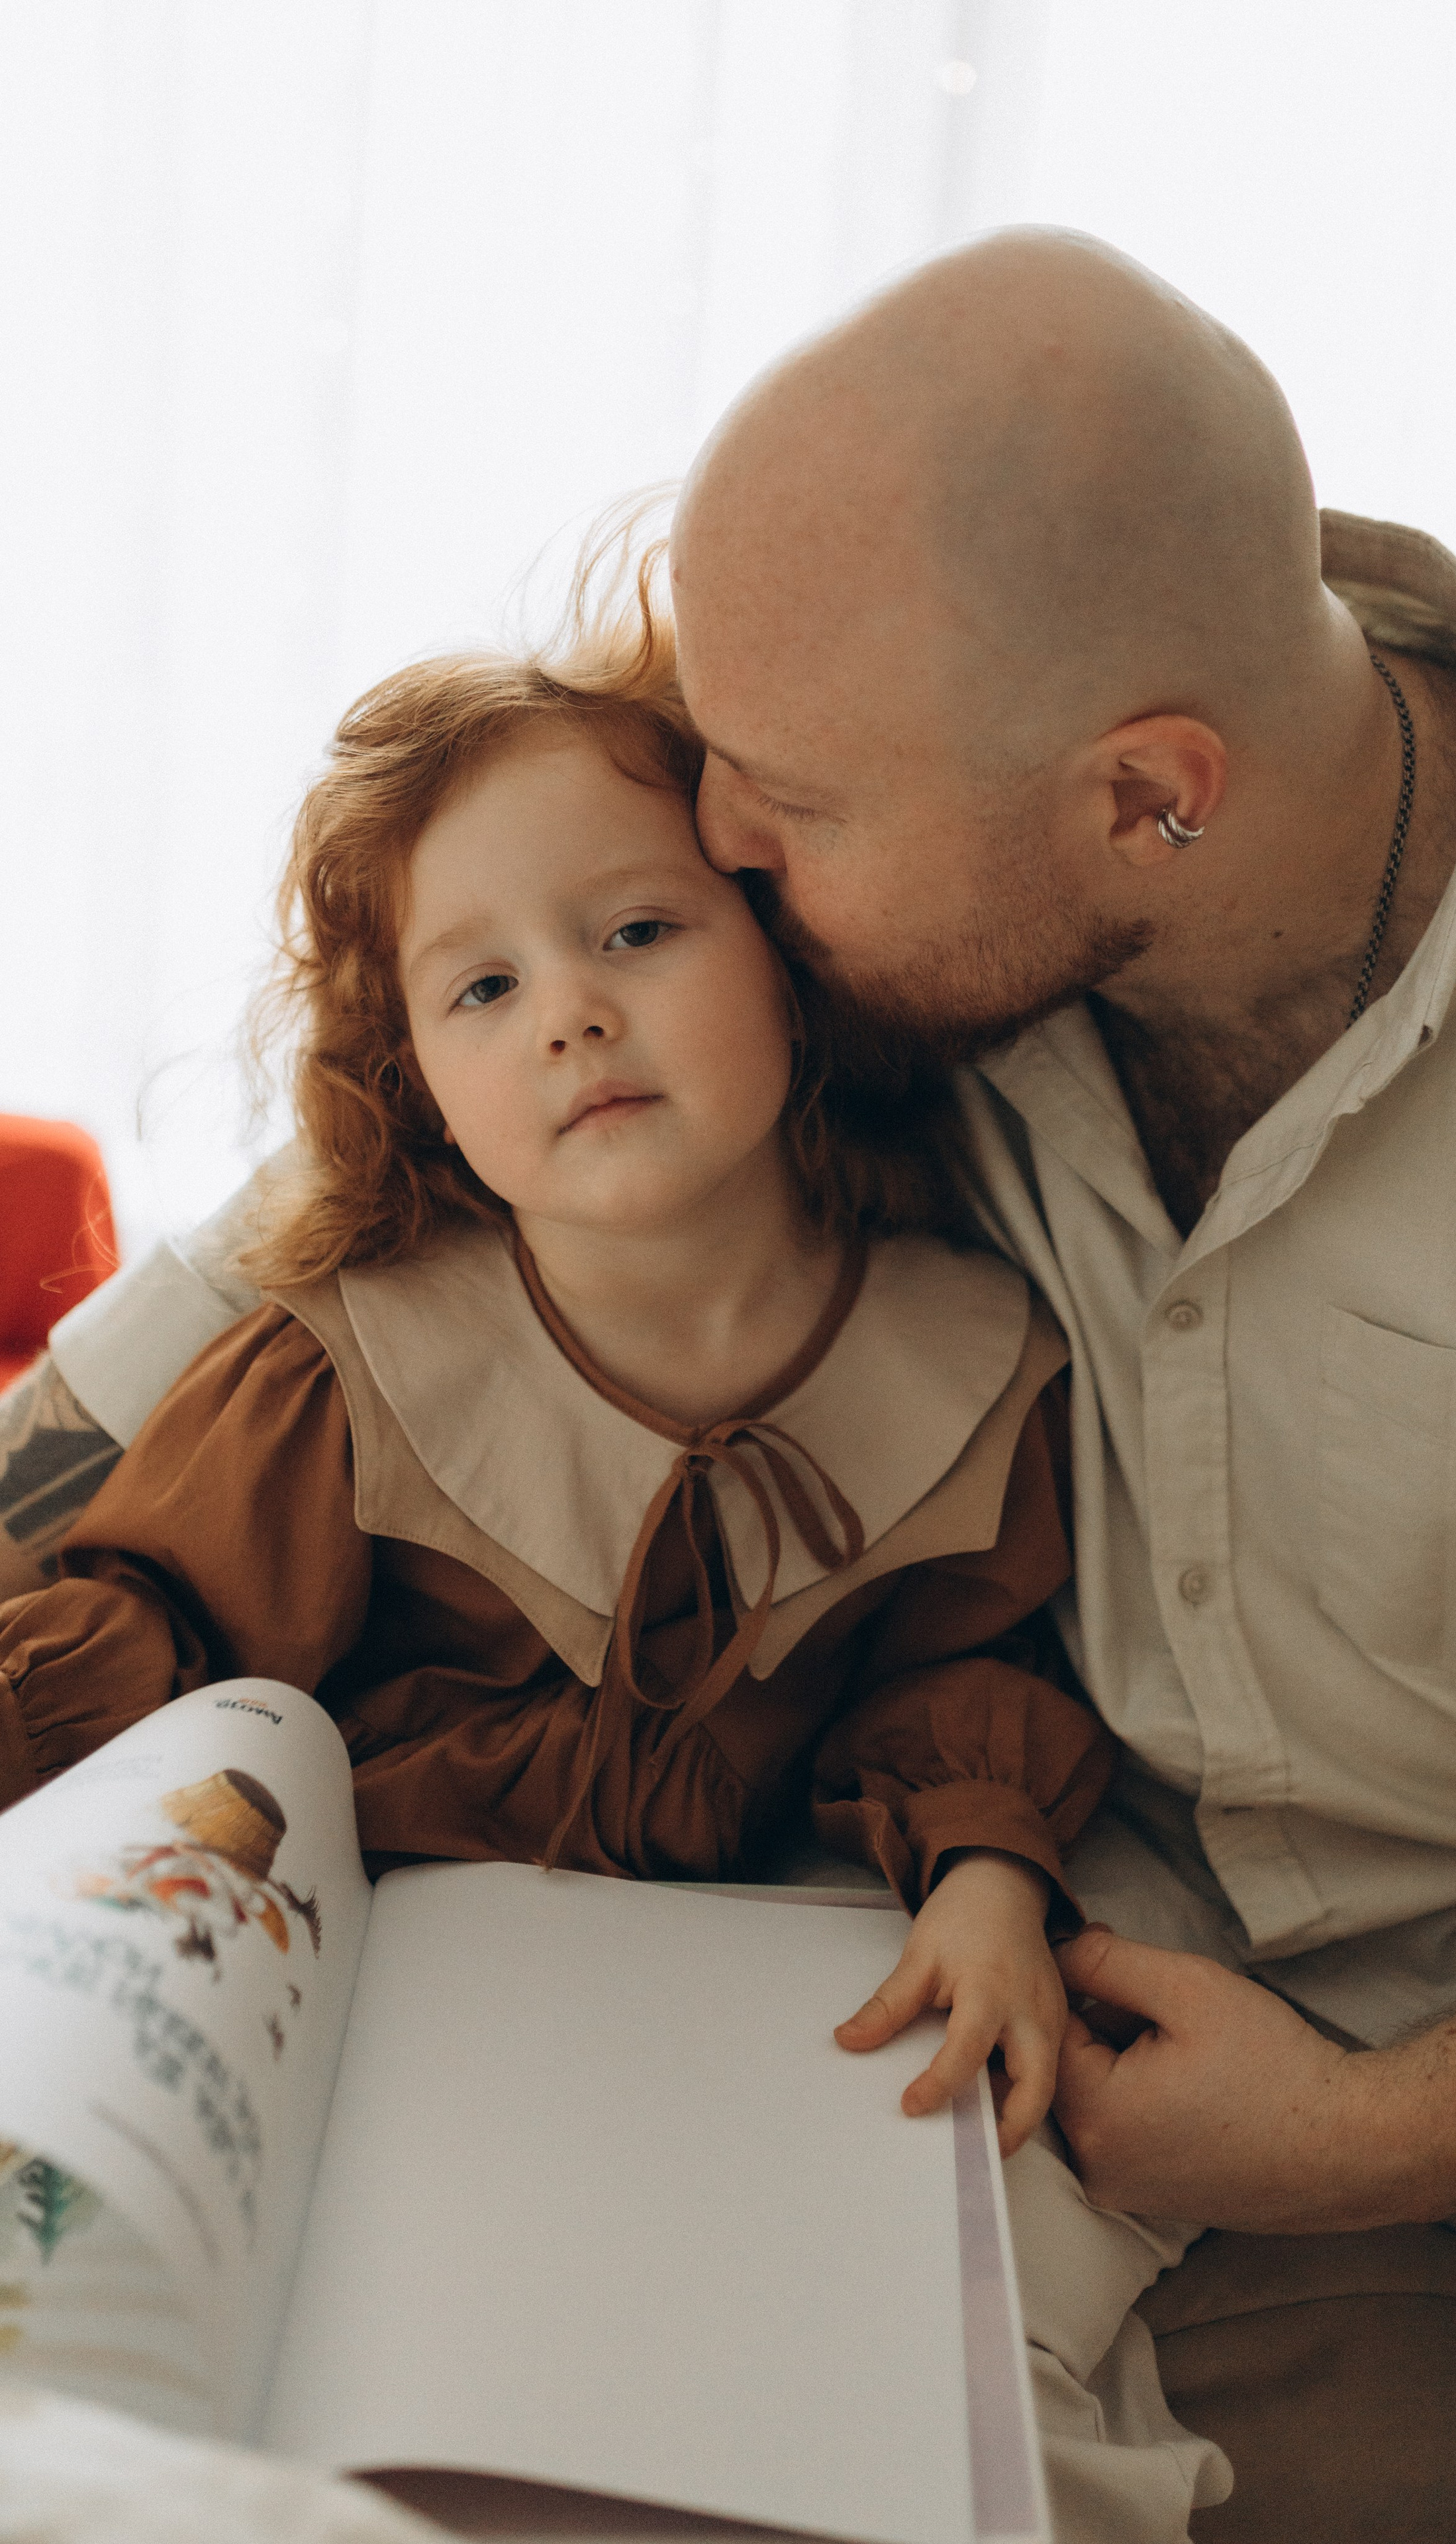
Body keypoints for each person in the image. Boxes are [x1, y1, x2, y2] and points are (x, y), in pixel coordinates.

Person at [14, 223, 1456, 2535]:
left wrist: (1370, 2136)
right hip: (1030, 1979)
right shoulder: (914, 934)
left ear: (1149, 801)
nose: (716, 845)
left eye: (781, 806)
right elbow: (326, 1224)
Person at [0, 560, 1120, 2161]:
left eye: (639, 929)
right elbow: (156, 1638)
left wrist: (988, 1874)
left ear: (786, 953)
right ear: (421, 1082)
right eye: (484, 985)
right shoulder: (360, 1369)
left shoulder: (965, 1362)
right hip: (348, 2024)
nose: (570, 1014)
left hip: (729, 2051)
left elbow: (959, 1680)